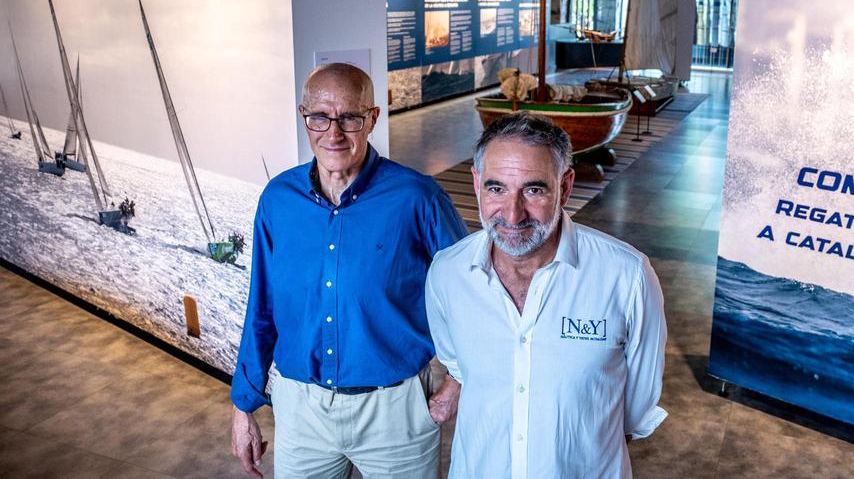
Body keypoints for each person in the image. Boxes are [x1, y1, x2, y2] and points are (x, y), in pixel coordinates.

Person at [230, 62, 467, 479]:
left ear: (372, 118)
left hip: (395, 411)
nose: (333, 133)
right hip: (301, 410)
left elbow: (472, 293)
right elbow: (261, 306)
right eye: (320, 117)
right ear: (304, 117)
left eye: (350, 118)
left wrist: (456, 386)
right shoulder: (277, 200)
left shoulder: (417, 198)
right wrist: (243, 405)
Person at [425, 112, 667, 479]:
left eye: (534, 189)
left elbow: (636, 409)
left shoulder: (627, 277)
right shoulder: (447, 273)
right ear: (476, 184)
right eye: (496, 188)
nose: (512, 212)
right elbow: (458, 364)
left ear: (565, 187)